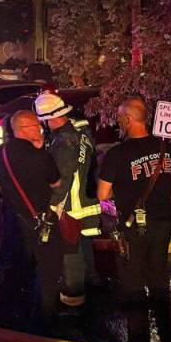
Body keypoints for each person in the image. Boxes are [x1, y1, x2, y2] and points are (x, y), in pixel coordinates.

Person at [98, 97, 171, 342]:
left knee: (133, 284)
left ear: (127, 119)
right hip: (162, 223)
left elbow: (103, 194)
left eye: (119, 118)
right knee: (158, 279)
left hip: (132, 227)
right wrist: (157, 199)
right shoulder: (168, 150)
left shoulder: (117, 154)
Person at [0, 110, 64, 332]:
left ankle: (2, 316)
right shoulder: (40, 156)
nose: (40, 129)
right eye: (36, 126)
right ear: (24, 129)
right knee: (47, 269)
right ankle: (41, 321)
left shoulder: (1, 152)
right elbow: (56, 183)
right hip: (39, 220)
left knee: (11, 268)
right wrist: (41, 150)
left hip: (13, 218)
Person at [35, 91, 102, 308]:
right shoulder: (80, 133)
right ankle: (90, 280)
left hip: (71, 207)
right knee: (83, 245)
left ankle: (73, 299)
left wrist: (50, 207)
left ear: (48, 118)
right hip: (86, 201)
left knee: (70, 252)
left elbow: (61, 179)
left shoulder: (63, 142)